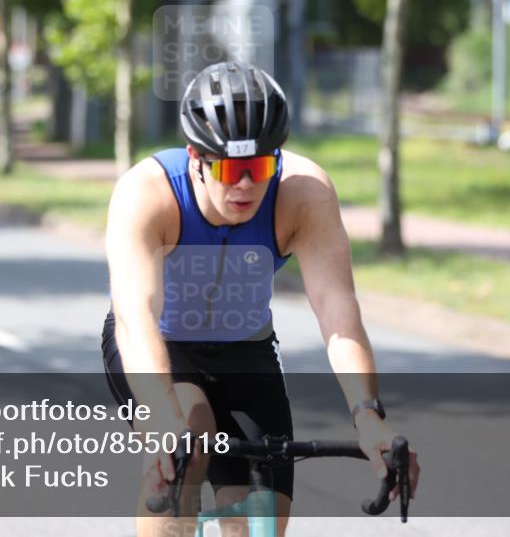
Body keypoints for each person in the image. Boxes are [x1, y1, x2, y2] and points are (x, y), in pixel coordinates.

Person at [102, 61, 419, 537]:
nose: (246, 184)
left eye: (259, 167)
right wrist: (161, 418)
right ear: (196, 157)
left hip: (246, 352)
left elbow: (338, 313)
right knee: (190, 433)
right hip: (161, 348)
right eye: (231, 168)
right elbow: (136, 316)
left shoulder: (303, 194)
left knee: (259, 518)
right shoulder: (148, 194)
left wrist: (367, 417)